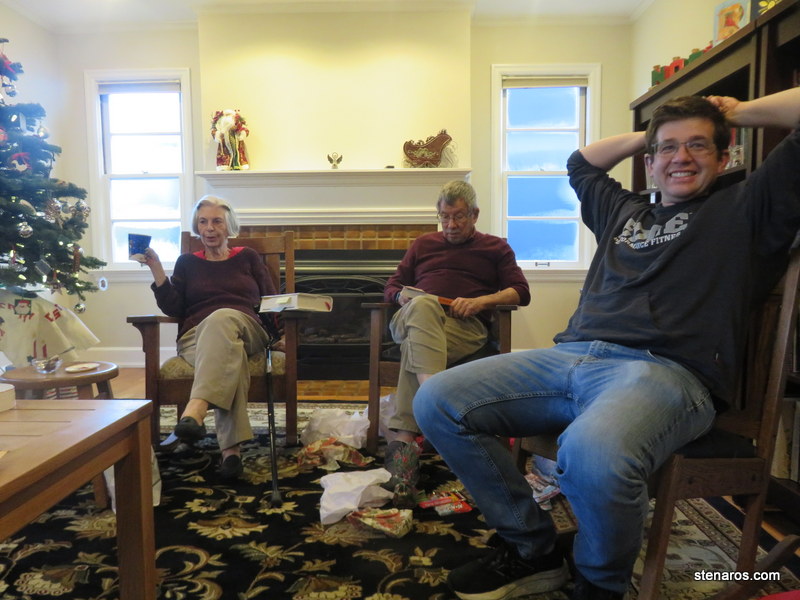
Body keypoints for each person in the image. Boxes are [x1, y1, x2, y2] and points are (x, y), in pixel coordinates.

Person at [414, 87, 800, 600]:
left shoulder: (747, 207)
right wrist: (654, 133)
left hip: (665, 372)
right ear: (649, 162)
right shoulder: (623, 210)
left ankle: (599, 584)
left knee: (590, 451)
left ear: (724, 156)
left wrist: (734, 112)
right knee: (437, 399)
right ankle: (534, 550)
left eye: (698, 145)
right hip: (570, 356)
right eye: (667, 149)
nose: (681, 157)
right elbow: (580, 162)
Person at [382, 180, 530, 506]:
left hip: (464, 328)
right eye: (444, 217)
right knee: (423, 305)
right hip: (414, 318)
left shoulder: (495, 248)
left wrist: (481, 302)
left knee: (416, 346)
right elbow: (391, 286)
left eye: (459, 217)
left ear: (474, 214)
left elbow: (520, 291)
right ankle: (434, 402)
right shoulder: (422, 244)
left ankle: (403, 445)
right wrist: (400, 295)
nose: (450, 225)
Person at [142, 195, 277, 480]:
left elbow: (272, 299)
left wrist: (282, 336)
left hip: (247, 329)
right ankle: (231, 452)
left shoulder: (248, 257)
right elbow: (174, 308)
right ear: (197, 226)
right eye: (203, 222)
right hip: (196, 338)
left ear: (229, 226)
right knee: (230, 354)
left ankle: (196, 409)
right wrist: (157, 270)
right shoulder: (186, 262)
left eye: (217, 221)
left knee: (222, 318)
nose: (209, 228)